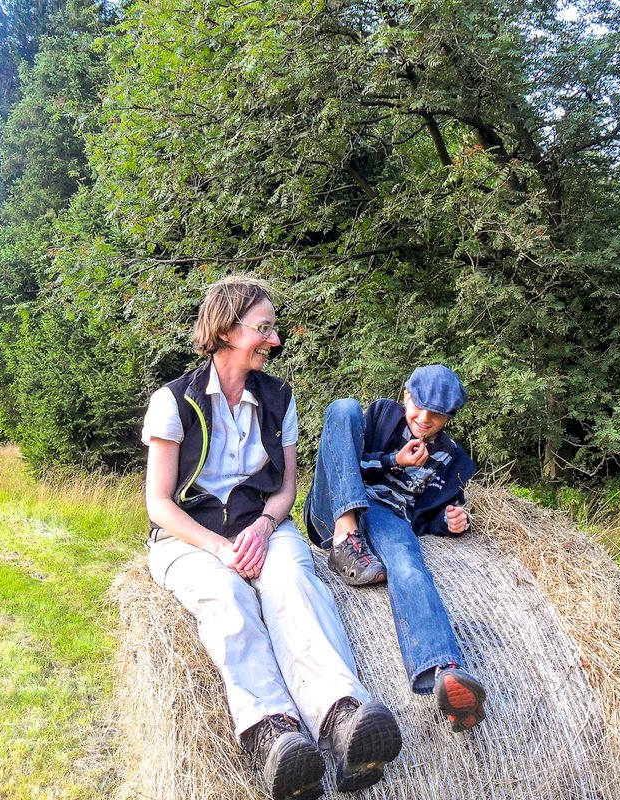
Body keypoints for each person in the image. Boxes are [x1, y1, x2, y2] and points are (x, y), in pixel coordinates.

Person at [143, 275, 401, 800]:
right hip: (189, 540)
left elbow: (287, 490)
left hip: (263, 526)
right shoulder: (173, 402)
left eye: (273, 329)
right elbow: (159, 504)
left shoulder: (280, 398)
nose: (275, 340)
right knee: (229, 599)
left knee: (295, 583)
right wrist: (219, 549)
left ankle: (341, 717)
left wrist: (263, 526)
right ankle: (271, 733)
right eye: (264, 328)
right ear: (226, 330)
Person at [304, 365, 486, 733]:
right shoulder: (381, 417)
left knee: (409, 567)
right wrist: (393, 461)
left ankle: (442, 672)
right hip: (337, 504)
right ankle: (345, 539)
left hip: (388, 517)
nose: (425, 419)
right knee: (342, 407)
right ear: (406, 396)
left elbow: (427, 519)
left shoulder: (452, 458)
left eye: (437, 414)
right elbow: (344, 466)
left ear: (449, 417)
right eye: (419, 407)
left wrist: (450, 522)